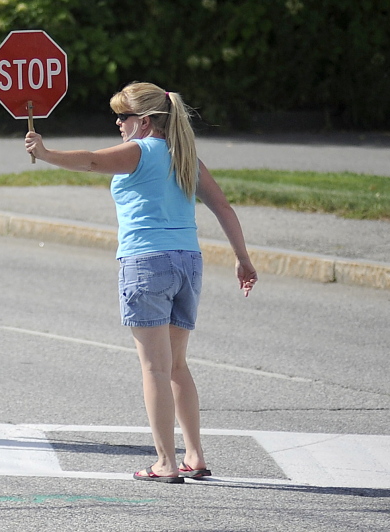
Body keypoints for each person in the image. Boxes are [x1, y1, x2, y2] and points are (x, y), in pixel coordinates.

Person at [24, 82, 258, 483]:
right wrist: (242, 258)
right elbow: (222, 206)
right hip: (188, 262)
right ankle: (195, 455)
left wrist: (45, 154)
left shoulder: (141, 150)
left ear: (145, 121)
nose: (118, 123)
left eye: (124, 116)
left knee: (154, 367)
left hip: (146, 262)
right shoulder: (187, 157)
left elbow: (93, 162)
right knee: (176, 365)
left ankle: (166, 462)